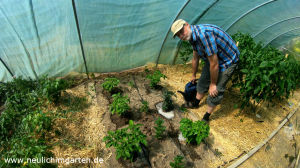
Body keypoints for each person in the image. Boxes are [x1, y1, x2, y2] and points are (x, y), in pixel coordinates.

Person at [171, 19, 240, 122]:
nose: (181, 36)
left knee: (216, 90)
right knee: (202, 81)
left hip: (228, 60)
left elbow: (215, 64)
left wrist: (212, 84)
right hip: (213, 58)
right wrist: (193, 75)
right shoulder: (191, 36)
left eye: (181, 31)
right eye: (178, 35)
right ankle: (195, 103)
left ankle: (206, 116)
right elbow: (195, 57)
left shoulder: (203, 35)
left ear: (187, 25)